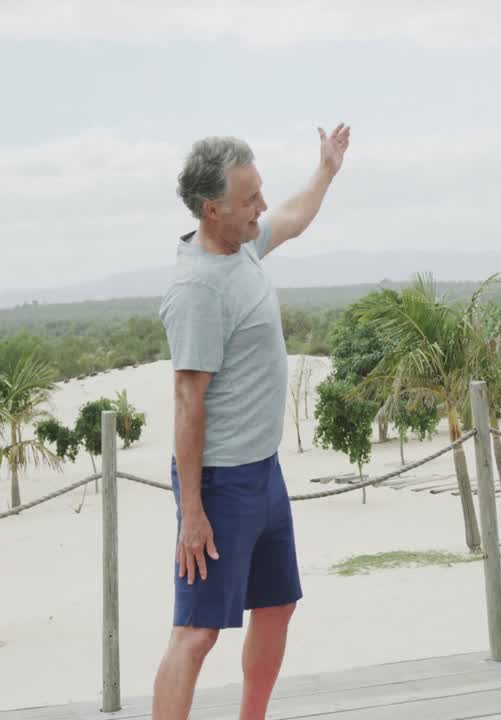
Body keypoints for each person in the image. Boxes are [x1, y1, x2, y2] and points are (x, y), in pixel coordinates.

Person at [153, 125, 351, 720]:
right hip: (218, 485)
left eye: (258, 192)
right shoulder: (196, 289)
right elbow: (188, 405)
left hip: (264, 474)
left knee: (276, 607)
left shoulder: (242, 248)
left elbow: (292, 216)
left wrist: (326, 171)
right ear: (212, 210)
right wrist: (192, 511)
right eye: (248, 199)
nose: (261, 206)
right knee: (197, 631)